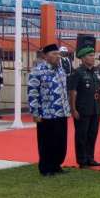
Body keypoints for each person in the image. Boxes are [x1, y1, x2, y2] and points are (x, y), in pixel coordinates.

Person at [28, 43, 70, 176]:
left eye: (58, 54)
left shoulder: (61, 70)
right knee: (46, 142)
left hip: (61, 112)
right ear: (45, 56)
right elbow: (32, 92)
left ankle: (56, 165)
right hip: (46, 113)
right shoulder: (37, 71)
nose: (57, 56)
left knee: (60, 141)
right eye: (54, 54)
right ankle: (46, 167)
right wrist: (35, 112)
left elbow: (64, 91)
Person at [67, 46, 100, 169]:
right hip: (82, 109)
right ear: (82, 58)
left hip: (94, 108)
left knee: (92, 134)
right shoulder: (77, 73)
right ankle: (82, 160)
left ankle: (90, 158)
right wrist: (73, 109)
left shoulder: (95, 72)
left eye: (93, 55)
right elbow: (73, 92)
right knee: (82, 135)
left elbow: (99, 89)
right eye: (90, 56)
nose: (93, 58)